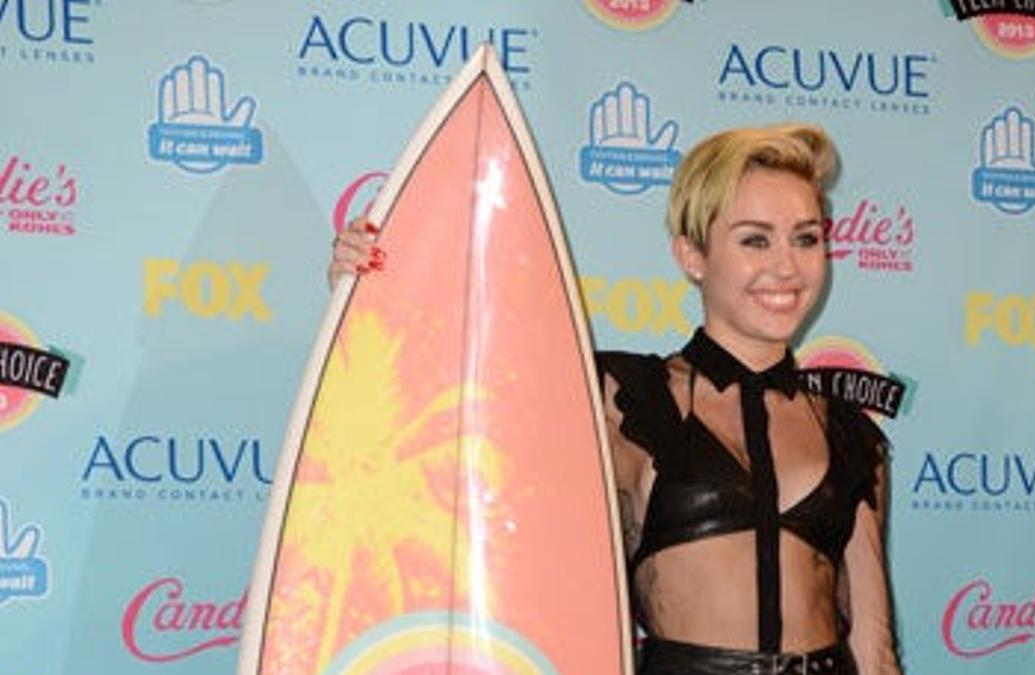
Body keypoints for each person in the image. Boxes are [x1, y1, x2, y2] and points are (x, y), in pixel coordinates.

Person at [329, 124, 902, 675]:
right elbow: (444, 403)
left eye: (806, 238)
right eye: (755, 239)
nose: (786, 266)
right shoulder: (621, 397)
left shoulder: (851, 433)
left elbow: (875, 650)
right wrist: (369, 295)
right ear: (692, 256)